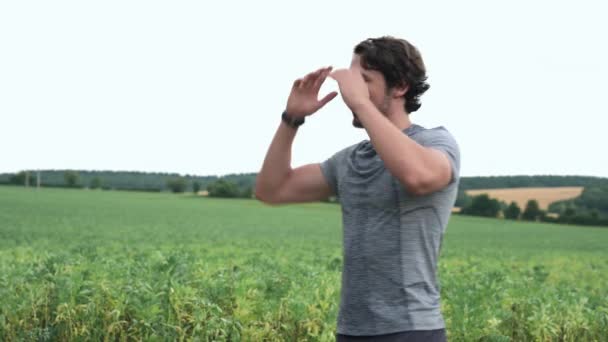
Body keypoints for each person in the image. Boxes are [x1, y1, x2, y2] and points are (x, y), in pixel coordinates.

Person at [255, 36, 459, 342]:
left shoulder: (435, 143)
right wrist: (292, 118)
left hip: (412, 329)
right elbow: (272, 190)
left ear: (400, 86)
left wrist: (361, 103)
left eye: (364, 80)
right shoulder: (351, 159)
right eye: (352, 81)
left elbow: (418, 177)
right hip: (352, 331)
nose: (350, 90)